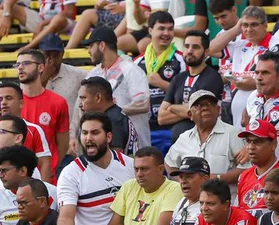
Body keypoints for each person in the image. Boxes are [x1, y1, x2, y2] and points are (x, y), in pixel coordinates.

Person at [58, 113, 135, 225]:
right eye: (84, 133)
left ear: (108, 137)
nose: (88, 138)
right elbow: (65, 216)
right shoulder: (71, 173)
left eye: (94, 133)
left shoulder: (130, 166)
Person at [84, 26, 151, 146]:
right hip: (103, 145)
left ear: (102, 45)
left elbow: (144, 105)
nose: (88, 51)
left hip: (134, 147)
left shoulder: (131, 70)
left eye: (91, 46)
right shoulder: (93, 74)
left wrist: (114, 113)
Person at [157, 32, 223, 141]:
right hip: (179, 144)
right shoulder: (178, 78)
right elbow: (162, 117)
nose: (190, 51)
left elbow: (201, 112)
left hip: (205, 141)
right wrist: (189, 110)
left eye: (195, 47)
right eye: (187, 46)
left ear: (206, 52)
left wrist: (172, 107)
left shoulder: (212, 78)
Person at [134, 12, 185, 150]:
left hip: (172, 128)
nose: (166, 33)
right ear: (150, 30)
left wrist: (161, 83)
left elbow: (186, 95)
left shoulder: (181, 60)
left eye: (170, 29)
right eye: (161, 28)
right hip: (145, 130)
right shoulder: (137, 62)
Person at [235, 119, 279, 216]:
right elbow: (237, 215)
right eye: (248, 141)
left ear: (273, 145)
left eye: (257, 142)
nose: (251, 147)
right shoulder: (243, 176)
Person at [15, 51, 70, 162]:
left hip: (46, 174)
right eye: (17, 64)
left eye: (26, 63)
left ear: (40, 67)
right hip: (17, 171)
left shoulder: (58, 102)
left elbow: (63, 144)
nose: (20, 67)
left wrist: (51, 168)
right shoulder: (11, 101)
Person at [77, 77, 139, 155]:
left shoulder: (113, 120)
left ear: (98, 97)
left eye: (83, 98)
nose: (80, 104)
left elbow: (116, 158)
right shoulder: (116, 114)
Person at [39, 36, 88, 130]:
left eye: (55, 55)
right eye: (47, 55)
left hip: (70, 132)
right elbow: (30, 100)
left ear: (62, 54)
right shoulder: (32, 75)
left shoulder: (79, 75)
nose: (51, 60)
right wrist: (44, 76)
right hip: (42, 133)